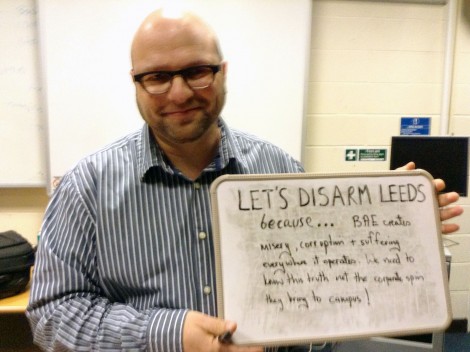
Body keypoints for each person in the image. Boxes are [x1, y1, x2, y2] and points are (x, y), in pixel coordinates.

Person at [26, 8, 463, 352]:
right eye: (157, 77)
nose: (179, 93)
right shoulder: (87, 186)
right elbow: (51, 314)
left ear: (222, 72)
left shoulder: (282, 170)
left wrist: (391, 227)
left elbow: (325, 284)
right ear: (136, 84)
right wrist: (168, 334)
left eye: (197, 71)